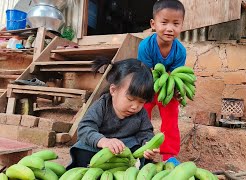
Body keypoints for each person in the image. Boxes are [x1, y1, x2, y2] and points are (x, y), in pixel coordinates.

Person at [67, 57, 160, 169]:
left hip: (127, 151)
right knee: (82, 150)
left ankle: (131, 168)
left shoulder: (141, 114)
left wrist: (148, 144)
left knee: (142, 155)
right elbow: (85, 128)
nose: (135, 106)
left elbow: (145, 132)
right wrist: (103, 141)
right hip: (99, 149)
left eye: (141, 102)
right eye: (130, 99)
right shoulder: (102, 106)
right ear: (113, 90)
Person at [137, 0, 186, 162]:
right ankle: (140, 149)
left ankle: (169, 155)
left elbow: (175, 76)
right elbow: (145, 73)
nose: (170, 28)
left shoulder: (180, 51)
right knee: (142, 116)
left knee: (171, 119)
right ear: (153, 24)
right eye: (164, 22)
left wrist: (178, 91)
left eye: (176, 23)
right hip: (146, 84)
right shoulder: (146, 46)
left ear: (182, 25)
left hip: (167, 88)